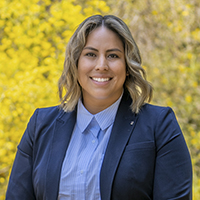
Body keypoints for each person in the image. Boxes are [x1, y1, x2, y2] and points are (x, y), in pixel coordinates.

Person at [6, 15, 192, 200]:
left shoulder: (159, 126)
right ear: (76, 63)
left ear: (127, 66)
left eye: (113, 55)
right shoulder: (41, 124)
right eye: (91, 54)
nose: (101, 65)